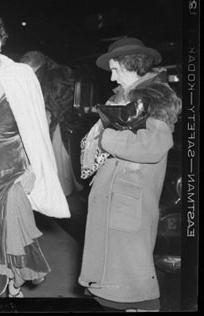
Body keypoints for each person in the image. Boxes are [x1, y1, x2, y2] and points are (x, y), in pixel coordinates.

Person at [0, 13, 70, 298]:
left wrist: (33, 169)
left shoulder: (20, 76)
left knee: (8, 242)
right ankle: (1, 290)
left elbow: (36, 129)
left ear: (1, 40)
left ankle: (7, 291)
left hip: (13, 173)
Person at [78, 37, 182, 312]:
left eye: (115, 69)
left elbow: (155, 145)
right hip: (114, 197)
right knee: (112, 282)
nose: (112, 76)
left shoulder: (156, 98)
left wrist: (106, 140)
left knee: (136, 282)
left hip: (130, 199)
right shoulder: (120, 98)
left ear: (131, 64)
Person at [19, 50, 82, 196]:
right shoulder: (51, 75)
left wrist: (46, 112)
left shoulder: (57, 77)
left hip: (62, 129)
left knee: (60, 176)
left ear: (36, 67)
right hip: (54, 129)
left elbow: (58, 105)